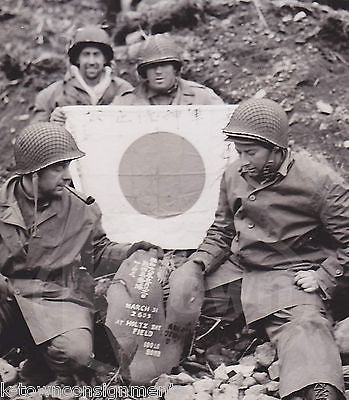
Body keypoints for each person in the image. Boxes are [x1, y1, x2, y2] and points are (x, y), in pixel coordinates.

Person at [175, 98, 348, 400]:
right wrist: (196, 265)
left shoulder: (320, 182)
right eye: (238, 151)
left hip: (288, 274)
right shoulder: (233, 174)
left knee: (305, 324)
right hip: (237, 271)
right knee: (171, 293)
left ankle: (318, 388)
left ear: (276, 149)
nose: (242, 161)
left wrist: (325, 277)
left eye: (250, 152)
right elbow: (222, 231)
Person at [0, 122, 162, 385]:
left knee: (76, 352)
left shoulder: (80, 208)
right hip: (4, 296)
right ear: (33, 172)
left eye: (68, 166)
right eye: (58, 167)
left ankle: (38, 364)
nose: (67, 175)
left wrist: (132, 251)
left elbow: (97, 251)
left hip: (52, 297)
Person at [32, 26, 133, 124]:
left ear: (105, 58)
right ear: (77, 59)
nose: (91, 61)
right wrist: (51, 125)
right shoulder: (51, 95)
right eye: (86, 54)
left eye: (96, 54)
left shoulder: (123, 90)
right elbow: (34, 134)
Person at [112, 33, 223, 105]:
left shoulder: (203, 97)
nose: (158, 71)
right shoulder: (125, 103)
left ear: (175, 69)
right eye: (152, 66)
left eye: (164, 65)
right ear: (144, 72)